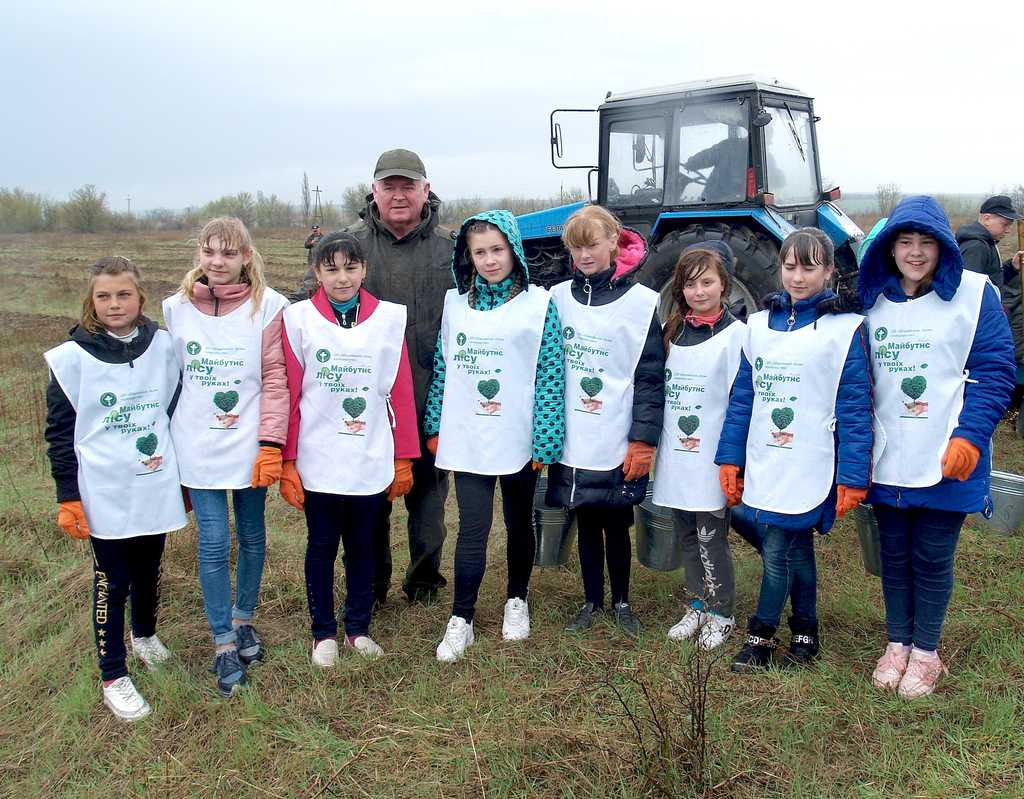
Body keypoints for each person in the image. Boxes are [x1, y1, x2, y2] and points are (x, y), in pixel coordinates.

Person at [859, 196, 1014, 698]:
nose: (915, 252)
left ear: (943, 247)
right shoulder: (871, 299)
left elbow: (995, 370)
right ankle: (897, 642)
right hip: (888, 453)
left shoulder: (974, 295)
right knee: (894, 554)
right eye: (905, 242)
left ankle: (926, 650)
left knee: (931, 554)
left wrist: (970, 436)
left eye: (926, 242)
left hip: (945, 452)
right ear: (889, 247)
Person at [298, 149, 454, 605]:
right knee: (370, 503)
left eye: (409, 186)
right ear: (374, 191)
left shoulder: (451, 249)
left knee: (428, 502)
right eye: (389, 186)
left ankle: (424, 582)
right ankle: (373, 585)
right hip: (362, 402)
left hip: (429, 394)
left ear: (426, 190)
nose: (399, 195)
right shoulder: (348, 245)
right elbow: (314, 309)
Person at [716, 227, 873, 672]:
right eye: (790, 266)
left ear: (828, 271)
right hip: (768, 459)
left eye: (809, 267)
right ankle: (806, 634)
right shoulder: (758, 327)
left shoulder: (845, 330)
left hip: (810, 461)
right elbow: (744, 398)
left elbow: (855, 407)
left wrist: (853, 475)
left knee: (778, 548)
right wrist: (730, 457)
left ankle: (760, 637)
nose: (798, 277)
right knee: (796, 548)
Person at [44, 256, 187, 721]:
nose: (114, 304)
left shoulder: (162, 346)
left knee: (150, 567)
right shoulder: (70, 359)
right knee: (113, 578)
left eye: (123, 294)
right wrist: (68, 495)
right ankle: (113, 674)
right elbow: (60, 433)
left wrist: (182, 477)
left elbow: (173, 410)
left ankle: (145, 635)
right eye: (103, 296)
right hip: (103, 489)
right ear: (91, 301)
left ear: (140, 297)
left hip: (153, 481)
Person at [423, 211, 565, 661]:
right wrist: (435, 423)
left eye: (497, 250)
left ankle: (516, 599)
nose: (489, 260)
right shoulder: (455, 305)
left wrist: (545, 436)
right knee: (472, 526)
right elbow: (444, 367)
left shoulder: (539, 305)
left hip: (519, 435)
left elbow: (550, 373)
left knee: (519, 521)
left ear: (514, 251)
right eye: (479, 252)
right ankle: (461, 618)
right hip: (469, 437)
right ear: (467, 256)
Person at [163, 217, 289, 698]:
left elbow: (275, 380)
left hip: (249, 445)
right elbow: (169, 382)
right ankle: (221, 643)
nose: (217, 262)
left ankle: (243, 621)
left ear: (246, 257)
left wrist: (271, 444)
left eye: (228, 253)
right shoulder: (174, 310)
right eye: (209, 252)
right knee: (214, 543)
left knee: (253, 536)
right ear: (199, 254)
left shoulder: (269, 307)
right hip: (198, 447)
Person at [279, 232, 418, 667]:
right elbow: (291, 394)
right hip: (318, 457)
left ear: (364, 269)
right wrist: (287, 461)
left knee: (365, 547)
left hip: (369, 456)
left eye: (351, 267)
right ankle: (323, 633)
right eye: (331, 268)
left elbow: (400, 391)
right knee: (320, 546)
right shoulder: (297, 320)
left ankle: (358, 627)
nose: (342, 278)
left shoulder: (390, 319)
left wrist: (403, 457)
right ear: (317, 272)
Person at [547, 205, 665, 637]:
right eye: (576, 247)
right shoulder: (557, 299)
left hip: (618, 434)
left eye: (592, 244)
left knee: (616, 521)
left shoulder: (640, 304)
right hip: (575, 436)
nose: (585, 255)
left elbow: (650, 377)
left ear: (614, 241)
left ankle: (622, 600)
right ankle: (590, 599)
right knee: (587, 519)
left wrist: (643, 439)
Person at [656, 242, 744, 650]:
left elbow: (741, 403)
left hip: (710, 458)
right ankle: (697, 603)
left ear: (723, 285)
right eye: (690, 284)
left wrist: (733, 460)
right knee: (686, 535)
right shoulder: (671, 331)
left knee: (712, 536)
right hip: (676, 456)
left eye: (707, 282)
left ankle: (721, 611)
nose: (699, 292)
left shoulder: (737, 337)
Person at [955, 195, 1023, 293]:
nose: (1008, 230)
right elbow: (969, 291)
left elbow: (992, 280)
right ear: (987, 219)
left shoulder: (988, 241)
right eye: (1005, 224)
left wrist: (1012, 267)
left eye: (1010, 225)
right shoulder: (976, 247)